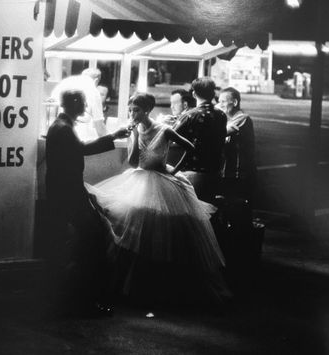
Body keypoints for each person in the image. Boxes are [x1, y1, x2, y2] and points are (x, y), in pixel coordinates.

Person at [89, 93, 231, 310]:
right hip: (140, 178)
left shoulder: (163, 128)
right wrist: (134, 136)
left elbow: (191, 148)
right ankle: (133, 286)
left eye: (136, 110)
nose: (132, 114)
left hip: (162, 179)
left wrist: (175, 169)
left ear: (147, 110)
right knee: (131, 221)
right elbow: (133, 162)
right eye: (130, 110)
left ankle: (164, 288)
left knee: (164, 226)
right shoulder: (136, 130)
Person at [45, 89, 130, 317]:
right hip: (70, 194)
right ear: (74, 103)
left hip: (64, 194)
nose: (86, 106)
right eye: (83, 102)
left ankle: (77, 298)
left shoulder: (60, 126)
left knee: (83, 245)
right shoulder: (64, 129)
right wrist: (113, 137)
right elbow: (81, 150)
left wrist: (112, 137)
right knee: (92, 243)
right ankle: (85, 299)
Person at [174, 77, 227, 204]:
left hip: (194, 172)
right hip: (215, 172)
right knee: (208, 210)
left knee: (192, 212)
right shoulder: (221, 115)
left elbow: (170, 136)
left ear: (193, 94)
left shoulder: (190, 115)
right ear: (213, 94)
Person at [217, 87, 257, 210]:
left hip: (238, 174)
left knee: (236, 206)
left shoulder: (243, 119)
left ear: (234, 103)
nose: (220, 105)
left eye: (223, 101)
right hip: (225, 171)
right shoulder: (225, 119)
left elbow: (219, 134)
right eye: (219, 101)